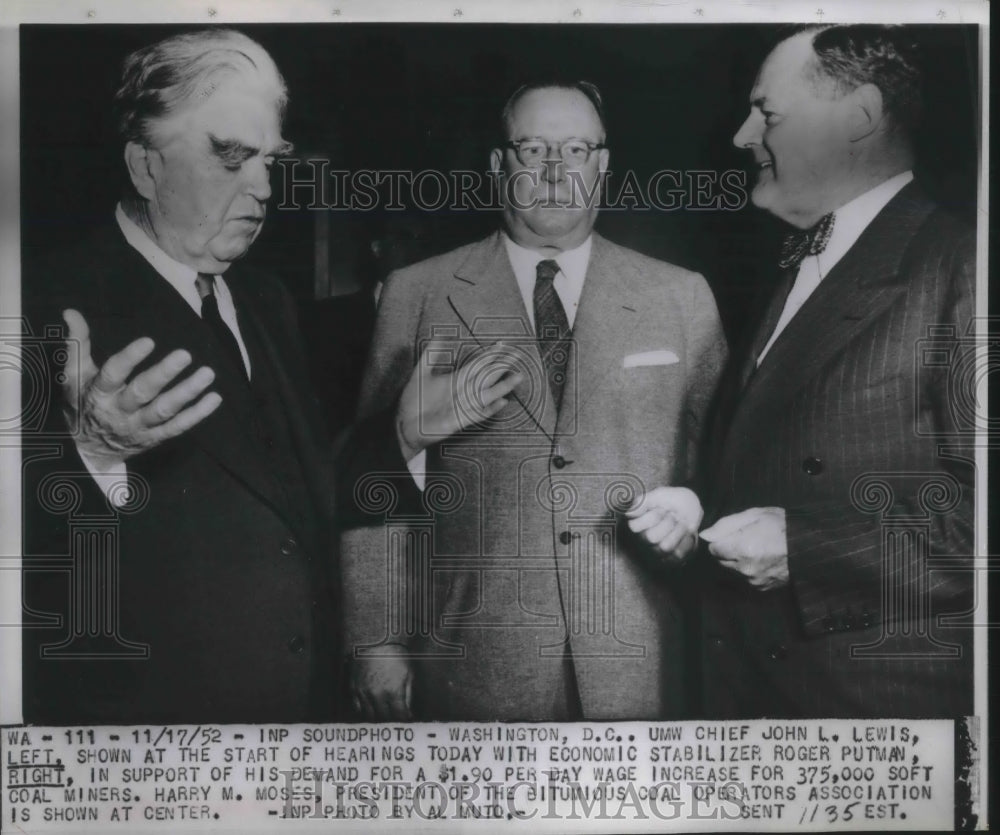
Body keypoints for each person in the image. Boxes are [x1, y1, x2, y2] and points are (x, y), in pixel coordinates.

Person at [20, 28, 516, 725]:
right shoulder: (38, 304)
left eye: (269, 160)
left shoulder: (264, 299)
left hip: (296, 721)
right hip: (158, 740)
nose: (262, 188)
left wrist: (403, 434)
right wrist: (92, 455)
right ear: (145, 166)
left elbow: (297, 493)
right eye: (231, 158)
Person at [343, 80, 727, 721]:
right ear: (499, 165)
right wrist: (376, 639)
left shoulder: (681, 297)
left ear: (603, 166)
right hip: (473, 659)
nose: (555, 171)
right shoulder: (418, 293)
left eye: (576, 149)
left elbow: (726, 466)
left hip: (643, 657)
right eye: (533, 149)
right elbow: (374, 476)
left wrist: (693, 511)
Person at [641, 24, 976, 718]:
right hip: (758, 701)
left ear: (860, 116)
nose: (741, 136)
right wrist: (700, 502)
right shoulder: (798, 265)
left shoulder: (964, 263)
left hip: (879, 720)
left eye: (766, 114)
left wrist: (807, 549)